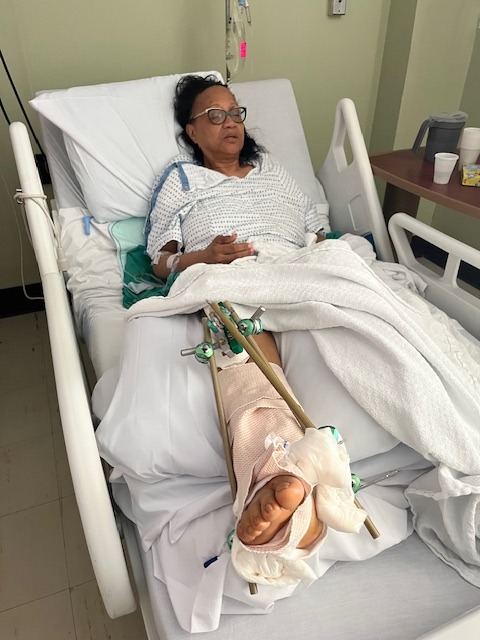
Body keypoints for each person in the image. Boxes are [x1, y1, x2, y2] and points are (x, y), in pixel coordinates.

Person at [144, 75, 361, 571]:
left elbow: (318, 229)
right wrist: (204, 256)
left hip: (299, 267)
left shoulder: (273, 172)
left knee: (364, 311)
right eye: (214, 115)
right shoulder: (181, 180)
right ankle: (276, 475)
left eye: (235, 113)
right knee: (243, 343)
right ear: (192, 132)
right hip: (235, 274)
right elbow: (160, 261)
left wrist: (322, 258)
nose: (231, 123)